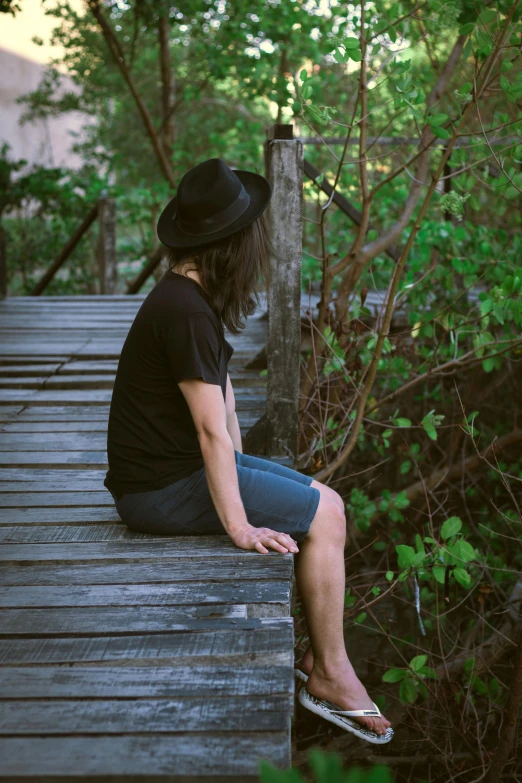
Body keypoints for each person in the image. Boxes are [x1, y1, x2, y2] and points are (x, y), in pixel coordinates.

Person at [104, 157, 393, 744]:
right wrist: (238, 524)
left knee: (326, 501)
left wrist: (244, 472)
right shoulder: (183, 312)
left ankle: (321, 660)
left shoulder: (190, 299)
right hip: (157, 492)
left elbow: (225, 404)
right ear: (235, 243)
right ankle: (331, 675)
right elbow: (210, 432)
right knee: (327, 515)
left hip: (173, 475)